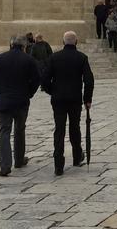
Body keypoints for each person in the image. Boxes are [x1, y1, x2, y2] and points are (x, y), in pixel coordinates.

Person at [0, 35, 41, 177]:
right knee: (19, 129)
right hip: (21, 100)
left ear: (10, 45)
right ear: (24, 47)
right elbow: (37, 79)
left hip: (4, 101)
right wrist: (29, 92)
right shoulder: (29, 60)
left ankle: (5, 165)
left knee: (4, 131)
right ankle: (18, 160)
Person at [42, 31, 94, 176]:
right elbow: (89, 80)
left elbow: (45, 79)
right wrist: (87, 99)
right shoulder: (82, 57)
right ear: (76, 42)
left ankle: (58, 164)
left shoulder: (54, 57)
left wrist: (52, 91)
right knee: (74, 127)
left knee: (59, 129)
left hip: (58, 99)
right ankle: (77, 157)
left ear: (63, 42)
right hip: (74, 98)